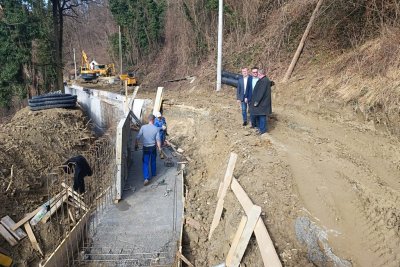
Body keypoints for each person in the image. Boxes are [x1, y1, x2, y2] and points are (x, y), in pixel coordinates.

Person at [135, 114, 162, 186]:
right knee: (153, 160)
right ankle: (153, 173)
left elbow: (137, 137)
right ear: (153, 120)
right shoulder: (156, 128)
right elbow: (158, 140)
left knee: (145, 163)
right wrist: (159, 148)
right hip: (153, 147)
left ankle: (146, 178)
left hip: (146, 148)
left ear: (148, 119)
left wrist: (136, 145)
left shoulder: (143, 127)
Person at [249, 68, 271, 134]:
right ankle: (260, 129)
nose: (257, 75)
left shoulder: (264, 81)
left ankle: (262, 130)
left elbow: (261, 92)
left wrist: (256, 101)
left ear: (261, 74)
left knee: (262, 116)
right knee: (259, 115)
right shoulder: (264, 80)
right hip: (262, 103)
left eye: (258, 73)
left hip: (262, 103)